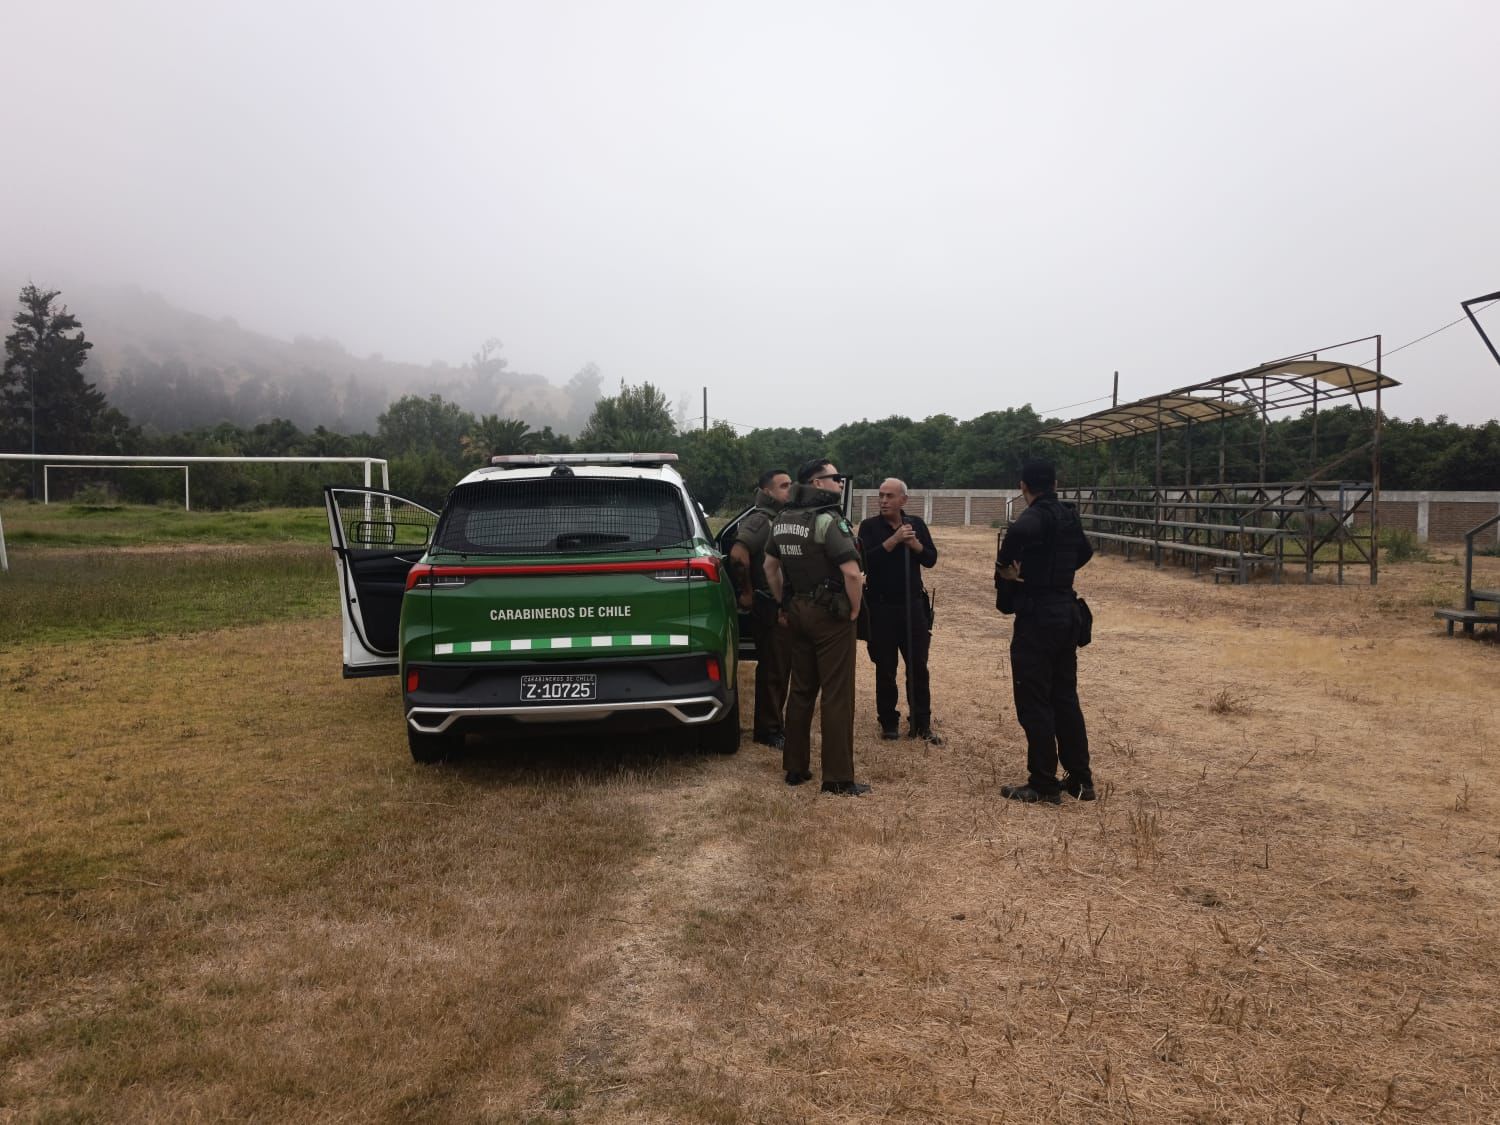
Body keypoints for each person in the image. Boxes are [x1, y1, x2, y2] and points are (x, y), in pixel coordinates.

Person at [762, 459, 870, 796]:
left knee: (801, 690)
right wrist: (854, 609)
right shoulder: (827, 520)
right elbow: (852, 573)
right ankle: (838, 778)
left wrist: (784, 603)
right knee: (837, 695)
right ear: (818, 483)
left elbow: (770, 567)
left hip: (798, 612)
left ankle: (795, 768)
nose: (840, 482)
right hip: (830, 616)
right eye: (835, 478)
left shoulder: (781, 519)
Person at [994, 458, 1095, 804]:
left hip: (1037, 617)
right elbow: (1085, 552)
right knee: (1065, 698)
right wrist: (1056, 572)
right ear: (1055, 482)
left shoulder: (1028, 520)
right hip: (1067, 611)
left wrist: (1019, 575)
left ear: (1024, 486)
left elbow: (1008, 562)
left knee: (1035, 701)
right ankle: (1081, 780)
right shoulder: (1068, 514)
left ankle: (1043, 782)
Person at [857, 477, 942, 744]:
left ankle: (921, 723)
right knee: (885, 668)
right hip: (882, 607)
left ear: (903, 500)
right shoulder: (869, 527)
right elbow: (864, 562)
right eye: (881, 495)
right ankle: (888, 722)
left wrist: (915, 545)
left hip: (913, 607)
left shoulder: (915, 524)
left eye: (889, 496)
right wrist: (892, 541)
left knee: (918, 667)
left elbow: (931, 558)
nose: (883, 501)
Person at [728, 467, 794, 748]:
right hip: (767, 607)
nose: (789, 490)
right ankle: (767, 730)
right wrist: (746, 592)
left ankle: (774, 725)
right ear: (767, 491)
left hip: (779, 604)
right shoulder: (761, 520)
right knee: (773, 670)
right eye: (783, 486)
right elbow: (738, 555)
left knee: (782, 668)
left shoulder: (780, 519)